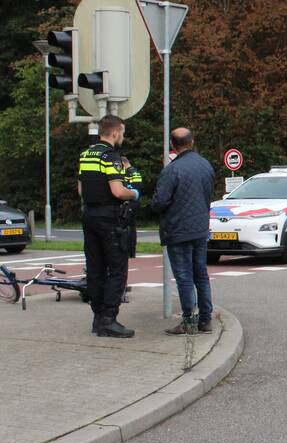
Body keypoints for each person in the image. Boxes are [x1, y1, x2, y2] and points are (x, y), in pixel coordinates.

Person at [78, 114, 139, 338]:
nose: (122, 136)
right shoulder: (110, 156)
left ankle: (97, 318)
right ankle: (109, 319)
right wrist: (134, 193)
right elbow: (117, 190)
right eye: (122, 132)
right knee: (116, 269)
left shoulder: (86, 154)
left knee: (95, 269)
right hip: (109, 218)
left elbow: (80, 190)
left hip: (89, 216)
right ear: (114, 132)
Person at [152, 128, 216, 335]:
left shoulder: (172, 170)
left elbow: (160, 202)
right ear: (192, 141)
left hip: (178, 230)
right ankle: (206, 320)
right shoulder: (205, 165)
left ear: (173, 144)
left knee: (184, 277)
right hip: (200, 229)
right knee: (201, 275)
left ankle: (188, 321)